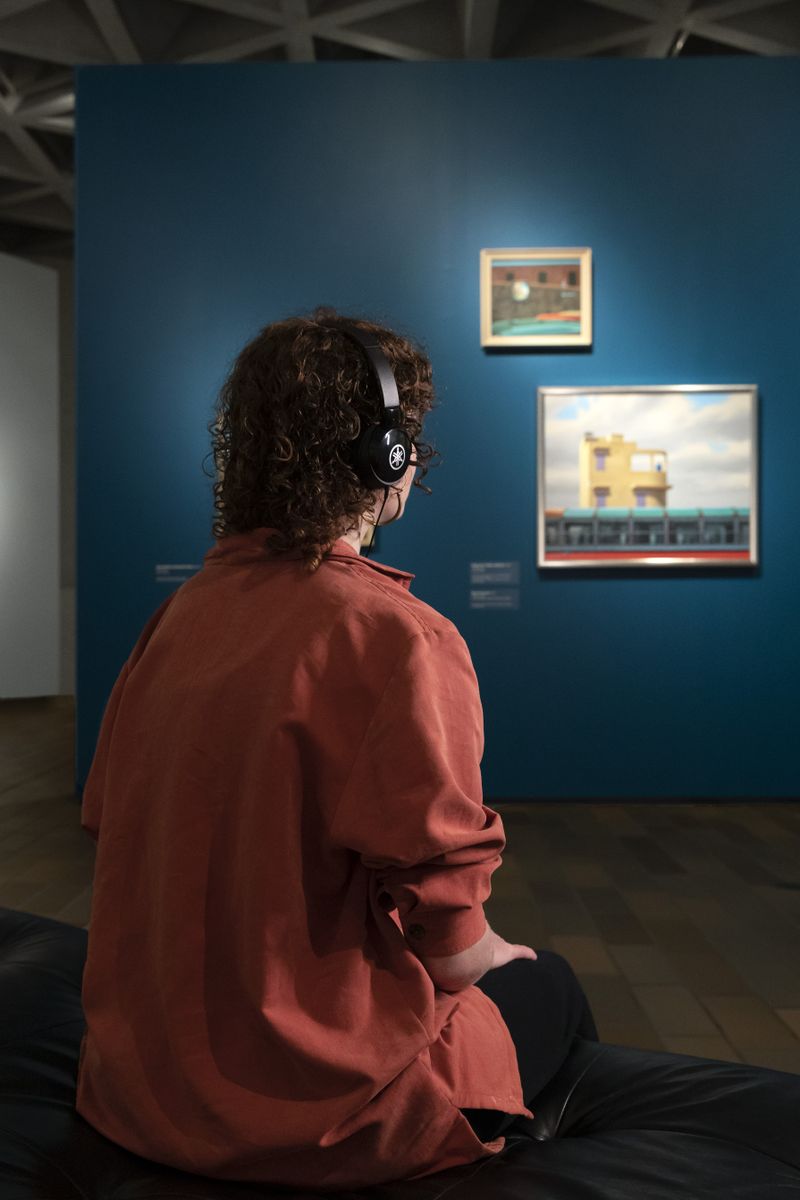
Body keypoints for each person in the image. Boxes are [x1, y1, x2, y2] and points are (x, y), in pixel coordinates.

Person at [76, 307, 598, 1191]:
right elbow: (451, 943)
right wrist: (488, 954)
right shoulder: (399, 640)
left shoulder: (177, 619)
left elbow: (107, 821)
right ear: (387, 459)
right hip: (313, 1123)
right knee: (552, 986)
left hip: (134, 1096)